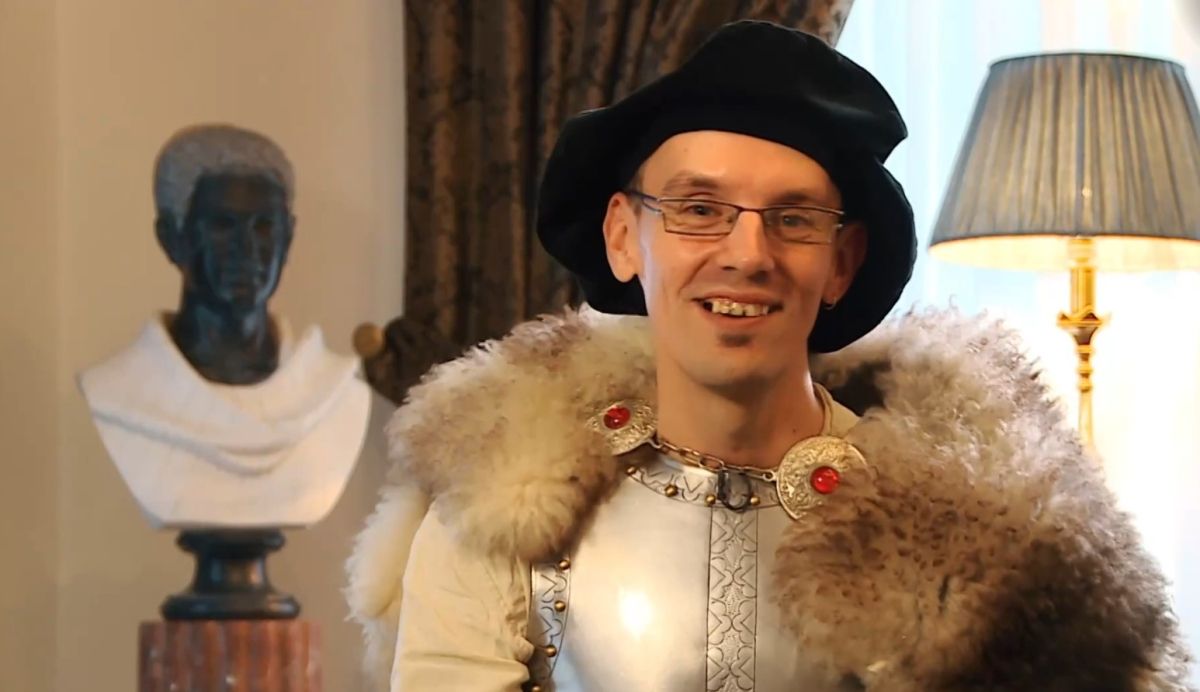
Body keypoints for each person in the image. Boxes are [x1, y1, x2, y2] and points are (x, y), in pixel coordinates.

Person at [347, 21, 1191, 691]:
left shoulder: (964, 542)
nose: (748, 254)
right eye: (698, 208)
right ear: (622, 237)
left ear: (843, 262)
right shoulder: (499, 516)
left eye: (793, 218)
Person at [79, 124, 369, 529]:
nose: (246, 249)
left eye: (263, 226)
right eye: (222, 225)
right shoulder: (120, 393)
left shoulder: (333, 392)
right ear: (171, 238)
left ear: (288, 238)